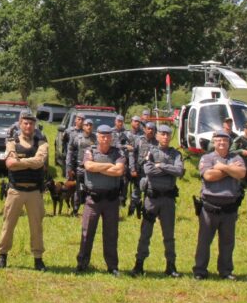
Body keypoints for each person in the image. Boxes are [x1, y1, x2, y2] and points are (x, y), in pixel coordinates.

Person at [0, 110, 48, 271]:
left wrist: (20, 161)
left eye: (31, 123)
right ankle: (2, 256)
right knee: (8, 225)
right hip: (15, 191)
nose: (28, 126)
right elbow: (10, 164)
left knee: (36, 227)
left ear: (35, 125)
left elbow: (40, 162)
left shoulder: (41, 142)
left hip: (34, 192)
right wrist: (29, 162)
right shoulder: (12, 142)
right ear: (20, 124)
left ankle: (38, 259)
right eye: (25, 123)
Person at [193, 131, 247, 280]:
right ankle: (200, 270)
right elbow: (209, 176)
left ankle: (225, 271)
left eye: (225, 141)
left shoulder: (236, 158)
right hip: (210, 207)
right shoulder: (207, 158)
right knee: (204, 241)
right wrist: (230, 170)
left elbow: (241, 173)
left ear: (229, 143)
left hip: (229, 207)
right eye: (218, 140)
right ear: (214, 143)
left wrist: (221, 167)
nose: (222, 143)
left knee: (227, 242)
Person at [131, 123, 183, 277]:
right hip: (151, 198)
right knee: (145, 233)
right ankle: (139, 265)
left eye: (168, 134)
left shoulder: (176, 154)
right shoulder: (151, 151)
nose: (165, 137)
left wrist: (161, 166)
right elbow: (148, 170)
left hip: (168, 199)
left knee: (169, 235)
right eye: (162, 134)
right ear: (157, 136)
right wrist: (168, 169)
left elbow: (179, 171)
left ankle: (171, 266)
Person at [76, 124, 126, 275]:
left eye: (108, 136)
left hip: (111, 200)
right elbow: (89, 166)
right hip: (93, 199)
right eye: (102, 136)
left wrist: (99, 168)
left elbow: (119, 170)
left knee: (111, 234)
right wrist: (109, 165)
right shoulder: (90, 151)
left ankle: (112, 266)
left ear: (111, 138)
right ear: (97, 137)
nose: (105, 139)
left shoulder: (118, 152)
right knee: (87, 232)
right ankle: (82, 264)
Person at [66, 118, 97, 216]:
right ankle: (75, 210)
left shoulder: (96, 138)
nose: (89, 127)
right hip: (80, 168)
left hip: (92, 168)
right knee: (79, 190)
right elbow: (70, 153)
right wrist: (69, 168)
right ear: (83, 127)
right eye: (87, 125)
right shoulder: (77, 138)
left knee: (92, 189)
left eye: (90, 125)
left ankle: (91, 210)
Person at [61, 113, 84, 178]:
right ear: (75, 120)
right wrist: (66, 152)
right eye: (79, 119)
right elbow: (64, 142)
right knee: (70, 177)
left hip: (81, 158)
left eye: (82, 120)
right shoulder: (69, 131)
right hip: (71, 157)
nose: (80, 121)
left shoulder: (85, 132)